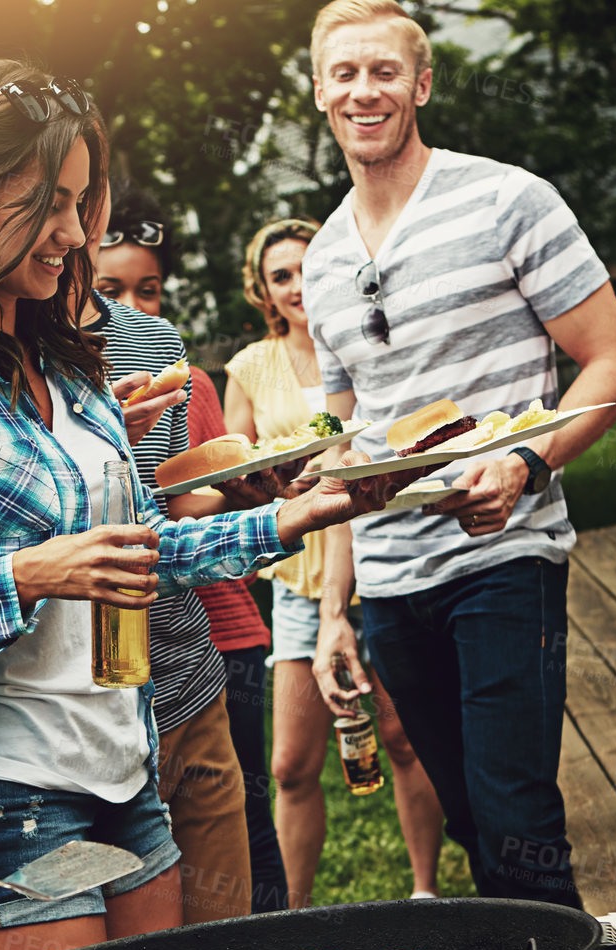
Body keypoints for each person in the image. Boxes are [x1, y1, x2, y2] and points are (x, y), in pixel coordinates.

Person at [0, 60, 399, 950]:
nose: (73, 234)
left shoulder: (67, 363)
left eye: (81, 203)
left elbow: (142, 553)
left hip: (124, 765)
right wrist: (28, 576)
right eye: (50, 204)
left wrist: (296, 515)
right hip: (10, 791)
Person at [303, 0, 616, 912]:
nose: (363, 91)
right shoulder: (325, 258)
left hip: (506, 558)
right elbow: (347, 453)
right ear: (318, 91)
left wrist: (527, 465)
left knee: (518, 826)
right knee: (468, 825)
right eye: (344, 74)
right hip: (390, 581)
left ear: (421, 84)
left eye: (383, 71)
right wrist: (336, 612)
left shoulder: (506, 199)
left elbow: (615, 360)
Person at [225, 216, 442, 907]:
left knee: (403, 738)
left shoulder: (365, 344)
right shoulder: (249, 368)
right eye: (278, 276)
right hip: (298, 580)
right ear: (263, 291)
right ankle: (293, 917)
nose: (295, 287)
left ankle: (426, 891)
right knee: (290, 764)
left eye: (303, 270)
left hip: (378, 561)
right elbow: (237, 471)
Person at [92, 183, 289, 915]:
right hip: (90, 681)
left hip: (187, 653)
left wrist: (248, 493)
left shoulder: (162, 349)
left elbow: (174, 503)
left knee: (234, 868)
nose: (133, 307)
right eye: (112, 287)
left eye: (148, 289)